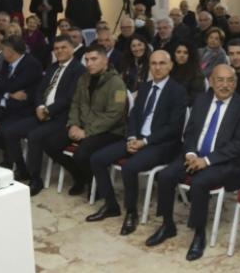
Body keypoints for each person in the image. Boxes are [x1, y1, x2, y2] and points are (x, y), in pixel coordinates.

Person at [146, 65, 240, 261]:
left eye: (230, 81)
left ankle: (199, 233)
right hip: (194, 155)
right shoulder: (201, 100)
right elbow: (189, 132)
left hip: (225, 161)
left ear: (235, 83)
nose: (225, 85)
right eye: (220, 80)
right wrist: (190, 154)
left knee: (199, 183)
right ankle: (167, 225)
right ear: (211, 82)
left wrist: (206, 160)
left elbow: (239, 146)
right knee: (165, 176)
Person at [86, 50, 188, 235]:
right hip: (137, 138)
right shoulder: (146, 87)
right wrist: (133, 137)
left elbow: (174, 128)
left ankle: (131, 212)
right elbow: (133, 116)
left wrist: (145, 142)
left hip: (162, 144)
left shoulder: (178, 91)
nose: (157, 68)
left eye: (162, 63)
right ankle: (111, 205)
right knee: (97, 159)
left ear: (170, 66)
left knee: (130, 168)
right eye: (154, 64)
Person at [41, 43, 126, 196]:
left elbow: (115, 115)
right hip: (83, 126)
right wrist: (73, 124)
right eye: (87, 60)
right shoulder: (84, 78)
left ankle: (95, 183)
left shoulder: (117, 84)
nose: (89, 63)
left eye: (94, 59)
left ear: (105, 60)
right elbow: (75, 104)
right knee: (50, 144)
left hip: (110, 131)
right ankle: (81, 177)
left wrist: (87, 132)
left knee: (81, 154)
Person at [15, 36, 85, 195]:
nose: (59, 51)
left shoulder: (79, 70)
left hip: (61, 117)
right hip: (42, 113)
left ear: (72, 49)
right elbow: (40, 90)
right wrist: (40, 106)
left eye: (63, 47)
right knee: (11, 131)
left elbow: (70, 98)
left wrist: (48, 111)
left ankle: (35, 180)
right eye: (57, 48)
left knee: (35, 137)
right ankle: (22, 170)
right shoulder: (53, 67)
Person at [0, 36, 44, 160]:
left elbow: (11, 85)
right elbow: (1, 85)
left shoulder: (32, 64)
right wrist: (9, 93)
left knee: (4, 131)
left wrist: (1, 86)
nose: (1, 52)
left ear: (10, 50)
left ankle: (12, 163)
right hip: (3, 104)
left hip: (21, 109)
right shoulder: (6, 62)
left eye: (3, 49)